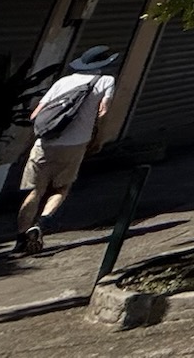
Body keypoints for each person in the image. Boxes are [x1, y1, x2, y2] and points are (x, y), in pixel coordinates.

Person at [15, 46, 120, 255]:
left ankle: (20, 240)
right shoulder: (105, 81)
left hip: (44, 144)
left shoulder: (62, 82)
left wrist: (30, 143)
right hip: (75, 145)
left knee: (35, 191)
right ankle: (41, 225)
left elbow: (36, 115)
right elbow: (102, 113)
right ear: (104, 63)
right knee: (60, 188)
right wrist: (98, 138)